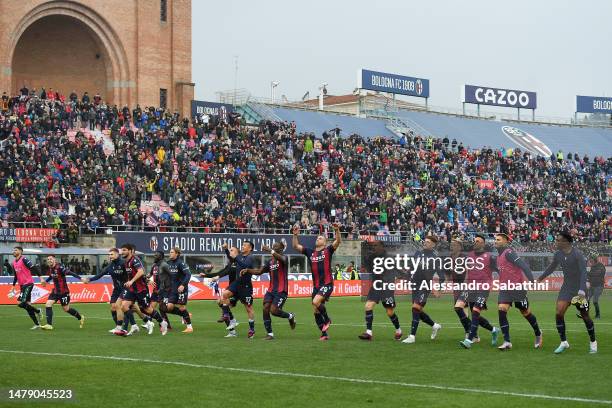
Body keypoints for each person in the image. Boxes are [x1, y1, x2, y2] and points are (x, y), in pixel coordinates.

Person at [537, 233, 597, 354]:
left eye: (558, 240)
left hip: (579, 289)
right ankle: (564, 342)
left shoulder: (577, 254)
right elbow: (552, 267)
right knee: (559, 313)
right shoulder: (558, 254)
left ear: (566, 242)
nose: (556, 242)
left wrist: (581, 290)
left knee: (585, 316)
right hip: (566, 288)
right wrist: (541, 277)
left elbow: (584, 272)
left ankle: (593, 342)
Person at [293, 223, 341, 340]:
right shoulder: (310, 252)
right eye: (317, 238)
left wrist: (337, 230)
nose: (317, 239)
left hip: (327, 283)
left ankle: (328, 319)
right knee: (315, 310)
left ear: (324, 242)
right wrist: (295, 235)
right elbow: (295, 246)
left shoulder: (328, 250)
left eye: (320, 238)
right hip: (316, 286)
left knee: (315, 301)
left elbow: (338, 241)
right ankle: (324, 334)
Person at [495, 233, 542, 350]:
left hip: (517, 288)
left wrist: (531, 280)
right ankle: (507, 341)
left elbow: (524, 266)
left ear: (506, 241)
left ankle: (538, 333)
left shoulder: (509, 253)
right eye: (495, 239)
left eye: (498, 239)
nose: (495, 241)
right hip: (505, 289)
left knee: (525, 313)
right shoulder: (498, 256)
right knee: (501, 309)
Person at [240, 241, 296, 340]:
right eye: (273, 246)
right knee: (265, 308)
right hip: (271, 290)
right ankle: (270, 334)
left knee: (274, 311)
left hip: (281, 290)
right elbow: (259, 271)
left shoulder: (284, 258)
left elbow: (282, 258)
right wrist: (248, 270)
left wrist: (270, 250)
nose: (274, 247)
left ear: (281, 249)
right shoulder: (270, 261)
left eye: (276, 246)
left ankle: (290, 316)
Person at [113, 243, 167, 336]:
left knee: (148, 310)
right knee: (124, 306)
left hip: (141, 289)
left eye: (125, 250)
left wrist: (132, 281)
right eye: (122, 250)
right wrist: (129, 281)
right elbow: (132, 274)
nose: (122, 252)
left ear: (130, 251)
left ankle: (162, 322)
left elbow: (141, 272)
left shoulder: (135, 260)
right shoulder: (126, 262)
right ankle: (134, 325)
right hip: (132, 290)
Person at [201, 245, 254, 338]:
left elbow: (225, 271)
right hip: (233, 289)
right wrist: (206, 275)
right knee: (221, 302)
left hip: (243, 288)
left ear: (237, 253)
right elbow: (222, 272)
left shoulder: (242, 261)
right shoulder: (231, 263)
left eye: (232, 250)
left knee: (247, 308)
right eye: (230, 251)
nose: (230, 252)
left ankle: (248, 329)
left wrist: (226, 250)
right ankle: (232, 329)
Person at [458, 233, 500, 349]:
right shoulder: (469, 255)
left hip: (483, 288)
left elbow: (499, 271)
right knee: (469, 312)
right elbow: (468, 271)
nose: (475, 242)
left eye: (478, 241)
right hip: (471, 288)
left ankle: (469, 340)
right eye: (474, 241)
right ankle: (493, 329)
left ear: (483, 244)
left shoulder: (490, 257)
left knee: (475, 311)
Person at [402, 235, 444, 344]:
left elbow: (441, 275)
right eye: (425, 241)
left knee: (415, 308)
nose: (425, 243)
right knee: (417, 310)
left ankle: (412, 336)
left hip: (425, 285)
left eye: (428, 242)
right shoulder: (418, 253)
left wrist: (439, 289)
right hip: (415, 284)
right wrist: (407, 278)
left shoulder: (436, 258)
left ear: (433, 244)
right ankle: (435, 326)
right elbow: (412, 267)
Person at [358, 241, 403, 341]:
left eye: (376, 245)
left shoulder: (389, 257)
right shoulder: (371, 257)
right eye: (373, 246)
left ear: (382, 247)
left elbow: (397, 269)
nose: (374, 247)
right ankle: (369, 333)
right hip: (376, 286)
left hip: (387, 287)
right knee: (368, 306)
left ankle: (399, 330)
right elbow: (367, 267)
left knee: (390, 312)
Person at [85, 248, 131, 332]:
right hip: (117, 289)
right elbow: (100, 275)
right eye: (109, 255)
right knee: (113, 308)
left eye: (112, 254)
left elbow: (131, 273)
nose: (110, 256)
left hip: (126, 288)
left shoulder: (124, 263)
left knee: (120, 306)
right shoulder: (110, 266)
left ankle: (124, 328)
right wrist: (90, 279)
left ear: (117, 254)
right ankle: (119, 326)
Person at [40, 255, 85, 330]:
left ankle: (80, 317)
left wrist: (80, 278)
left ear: (54, 260)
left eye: (51, 259)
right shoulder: (51, 268)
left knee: (66, 309)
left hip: (64, 292)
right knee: (48, 304)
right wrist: (46, 282)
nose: (49, 260)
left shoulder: (60, 268)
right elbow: (52, 276)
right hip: (55, 291)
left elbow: (70, 272)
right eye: (48, 259)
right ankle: (49, 325)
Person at [10, 247, 43, 329]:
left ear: (20, 252)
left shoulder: (24, 259)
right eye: (13, 250)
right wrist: (13, 286)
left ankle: (38, 311)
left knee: (20, 303)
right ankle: (37, 324)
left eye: (16, 250)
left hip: (28, 283)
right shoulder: (14, 262)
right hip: (22, 285)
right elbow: (16, 276)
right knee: (27, 305)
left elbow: (33, 267)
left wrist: (41, 277)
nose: (14, 251)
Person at [164, 247, 194, 333]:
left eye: (172, 252)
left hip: (181, 289)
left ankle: (189, 327)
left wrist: (183, 285)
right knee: (169, 307)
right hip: (172, 289)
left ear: (177, 254)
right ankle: (186, 315)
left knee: (181, 308)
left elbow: (188, 274)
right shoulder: (168, 263)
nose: (170, 253)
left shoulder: (181, 263)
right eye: (170, 252)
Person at [147, 251, 173, 331]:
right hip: (156, 290)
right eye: (154, 255)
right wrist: (147, 279)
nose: (154, 256)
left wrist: (168, 287)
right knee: (151, 307)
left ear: (161, 256)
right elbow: (149, 275)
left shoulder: (165, 265)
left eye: (156, 255)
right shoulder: (154, 265)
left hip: (164, 290)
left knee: (163, 308)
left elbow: (172, 276)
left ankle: (183, 314)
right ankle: (149, 323)